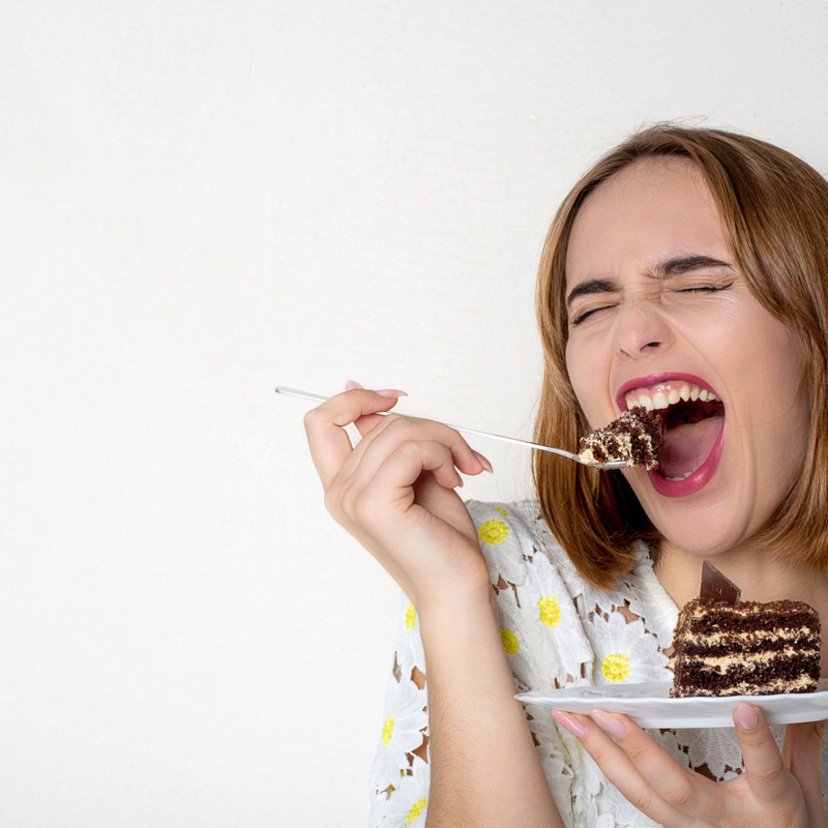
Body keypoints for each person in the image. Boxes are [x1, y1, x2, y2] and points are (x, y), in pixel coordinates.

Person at [303, 124, 828, 827]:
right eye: (594, 308)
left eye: (699, 282)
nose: (631, 330)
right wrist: (455, 598)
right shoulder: (503, 576)